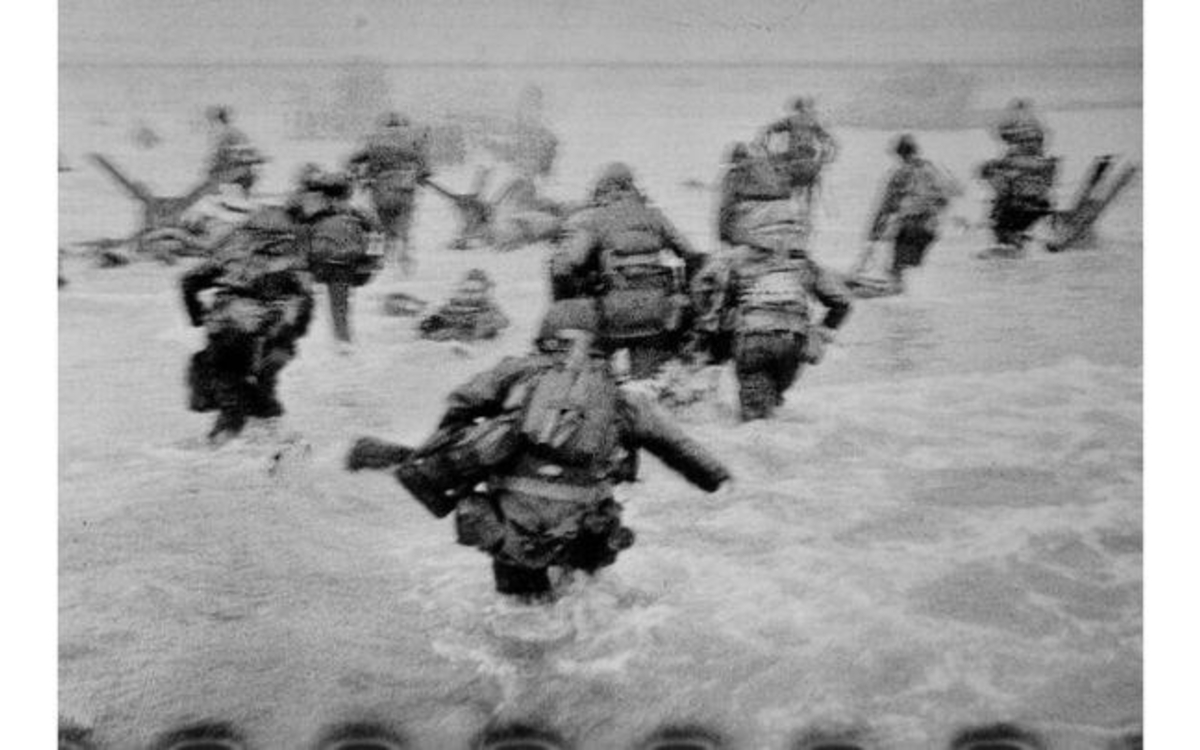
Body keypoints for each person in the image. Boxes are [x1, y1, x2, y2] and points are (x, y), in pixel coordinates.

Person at [346, 299, 731, 601]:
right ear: (598, 342)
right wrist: (718, 480)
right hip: (586, 529)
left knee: (521, 616)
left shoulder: (515, 371)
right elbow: (678, 447)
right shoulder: (621, 397)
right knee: (582, 601)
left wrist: (448, 453)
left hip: (512, 526)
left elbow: (460, 404)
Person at [550, 163, 707, 380]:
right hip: (656, 314)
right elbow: (693, 256)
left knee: (596, 374)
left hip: (613, 314)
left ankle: (602, 391)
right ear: (632, 187)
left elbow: (569, 264)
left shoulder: (596, 217)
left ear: (602, 190)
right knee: (644, 385)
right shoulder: (654, 215)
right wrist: (683, 296)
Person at [694, 210, 852, 421]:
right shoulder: (804, 264)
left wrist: (711, 318)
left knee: (755, 422)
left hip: (752, 341)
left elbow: (703, 285)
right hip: (793, 343)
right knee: (772, 409)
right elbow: (842, 301)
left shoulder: (735, 259)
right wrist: (823, 331)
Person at [181, 204, 315, 442]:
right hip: (274, 341)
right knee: (262, 391)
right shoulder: (293, 266)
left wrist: (197, 317)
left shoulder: (230, 254)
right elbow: (303, 306)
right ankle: (277, 442)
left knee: (230, 395)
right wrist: (291, 337)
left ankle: (223, 448)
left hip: (226, 336)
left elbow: (189, 282)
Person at [293, 167, 380, 346]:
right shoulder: (360, 214)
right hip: (346, 268)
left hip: (317, 266)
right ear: (348, 193)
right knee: (340, 308)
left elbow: (300, 240)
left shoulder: (311, 215)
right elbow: (377, 235)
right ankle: (343, 341)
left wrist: (302, 266)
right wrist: (371, 263)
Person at [861, 134, 954, 292]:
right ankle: (911, 304)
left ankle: (897, 303)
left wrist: (873, 234)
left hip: (911, 226)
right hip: (930, 228)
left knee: (896, 270)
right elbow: (945, 199)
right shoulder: (932, 170)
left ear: (900, 154)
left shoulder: (900, 174)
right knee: (911, 268)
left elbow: (885, 206)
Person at [346, 112, 432, 275]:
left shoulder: (374, 140)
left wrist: (359, 178)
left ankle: (377, 258)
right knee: (405, 224)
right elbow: (425, 168)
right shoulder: (412, 141)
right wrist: (419, 176)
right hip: (406, 189)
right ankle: (405, 256)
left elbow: (353, 161)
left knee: (379, 225)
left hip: (381, 188)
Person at [759, 97, 838, 208]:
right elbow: (830, 141)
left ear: (795, 108)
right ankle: (807, 204)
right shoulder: (813, 121)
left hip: (794, 157)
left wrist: (765, 148)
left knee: (774, 165)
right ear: (804, 108)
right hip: (810, 160)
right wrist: (825, 159)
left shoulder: (791, 120)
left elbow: (770, 129)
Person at [418, 268, 510, 342]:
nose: (470, 296)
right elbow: (431, 321)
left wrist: (484, 324)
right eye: (466, 290)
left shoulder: (489, 308)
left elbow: (503, 322)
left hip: (466, 340)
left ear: (484, 292)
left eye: (475, 291)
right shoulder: (451, 305)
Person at [205, 105, 265, 196]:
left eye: (215, 121)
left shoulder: (228, 133)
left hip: (237, 170)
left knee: (213, 175)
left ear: (219, 120)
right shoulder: (230, 133)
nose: (213, 125)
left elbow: (246, 151)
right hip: (238, 169)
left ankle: (220, 194)